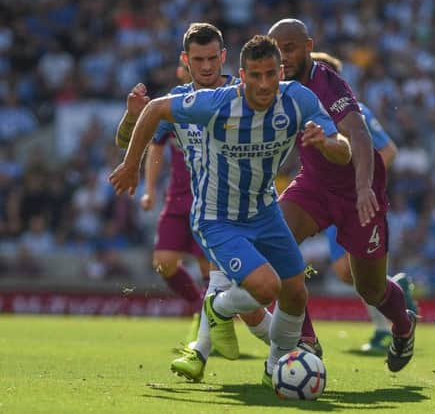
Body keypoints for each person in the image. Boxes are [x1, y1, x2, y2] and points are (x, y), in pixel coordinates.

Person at [108, 34, 351, 386]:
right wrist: (131, 165)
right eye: (255, 75)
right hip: (217, 217)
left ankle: (274, 369)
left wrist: (327, 143)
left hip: (265, 212)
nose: (265, 84)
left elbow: (343, 149)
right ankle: (216, 309)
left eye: (271, 74)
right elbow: (155, 108)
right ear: (242, 75)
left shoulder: (297, 99)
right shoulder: (217, 102)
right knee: (265, 288)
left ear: (280, 72)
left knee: (296, 291)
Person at [114, 24, 274, 382]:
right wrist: (132, 115)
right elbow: (128, 139)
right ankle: (283, 354)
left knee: (250, 300)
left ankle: (285, 348)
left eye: (212, 58)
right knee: (231, 290)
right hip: (211, 210)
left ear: (223, 57)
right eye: (197, 59)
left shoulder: (244, 92)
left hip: (255, 206)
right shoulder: (177, 102)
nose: (205, 66)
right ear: (185, 61)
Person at [268, 19, 417, 372]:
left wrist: (364, 187)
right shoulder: (274, 82)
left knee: (370, 289)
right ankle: (306, 341)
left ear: (308, 45)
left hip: (357, 195)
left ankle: (403, 325)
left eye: (289, 48)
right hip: (314, 186)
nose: (282, 57)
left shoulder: (328, 83)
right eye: (277, 50)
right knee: (273, 246)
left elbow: (360, 137)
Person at [311, 51, 419, 353]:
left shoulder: (357, 112)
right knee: (345, 272)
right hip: (332, 200)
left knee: (356, 268)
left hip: (356, 201)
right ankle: (396, 288)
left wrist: (364, 184)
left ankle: (384, 330)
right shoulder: (309, 111)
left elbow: (389, 151)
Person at [116, 57, 208, 319]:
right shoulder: (172, 107)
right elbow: (153, 146)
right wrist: (151, 190)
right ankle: (200, 308)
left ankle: (212, 324)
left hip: (211, 199)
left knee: (208, 268)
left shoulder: (217, 104)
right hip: (179, 198)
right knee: (163, 263)